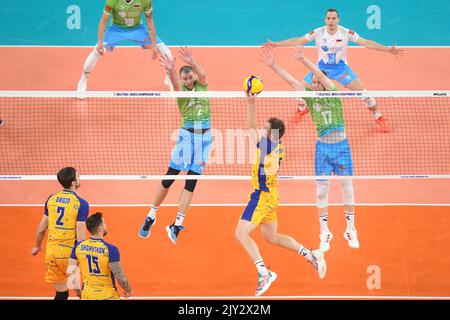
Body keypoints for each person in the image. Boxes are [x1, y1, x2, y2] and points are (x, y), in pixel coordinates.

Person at [262, 45, 359, 252]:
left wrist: (303, 60)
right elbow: (292, 81)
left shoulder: (333, 92)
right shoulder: (309, 96)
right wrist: (274, 66)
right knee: (321, 192)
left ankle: (350, 229)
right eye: (313, 83)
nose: (315, 85)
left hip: (341, 146)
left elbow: (321, 77)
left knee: (347, 187)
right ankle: (325, 232)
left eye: (318, 82)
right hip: (322, 148)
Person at [235, 92, 326, 296]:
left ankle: (264, 273)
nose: (262, 131)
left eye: (266, 129)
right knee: (271, 237)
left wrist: (251, 102)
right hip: (272, 196)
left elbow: (250, 128)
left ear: (272, 134)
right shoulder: (277, 146)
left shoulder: (269, 145)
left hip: (261, 196)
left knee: (241, 233)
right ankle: (310, 255)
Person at [263, 8, 405, 132]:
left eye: (334, 18)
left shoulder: (346, 32)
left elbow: (366, 42)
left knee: (365, 95)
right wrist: (277, 44)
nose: (331, 21)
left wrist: (388, 50)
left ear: (338, 19)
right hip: (321, 70)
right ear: (325, 19)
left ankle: (378, 116)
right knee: (299, 91)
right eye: (328, 18)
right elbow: (299, 40)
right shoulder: (318, 32)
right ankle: (302, 108)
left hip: (341, 69)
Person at [138, 47, 212, 243]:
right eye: (185, 79)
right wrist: (171, 71)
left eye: (190, 78)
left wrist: (193, 61)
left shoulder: (203, 86)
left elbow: (203, 74)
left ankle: (177, 224)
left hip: (205, 140)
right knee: (170, 177)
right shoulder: (180, 93)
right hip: (187, 137)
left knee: (192, 181)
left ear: (193, 77)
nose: (188, 81)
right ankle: (151, 215)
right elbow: (175, 83)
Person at [77, 0, 174, 92]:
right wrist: (100, 42)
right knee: (96, 52)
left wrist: (153, 45)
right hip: (116, 29)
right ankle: (83, 79)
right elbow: (104, 21)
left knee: (164, 50)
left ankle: (169, 76)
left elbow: (150, 22)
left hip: (137, 29)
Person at [31, 167, 88, 300]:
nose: (80, 179)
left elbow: (41, 229)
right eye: (78, 177)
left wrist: (37, 246)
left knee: (61, 294)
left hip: (52, 254)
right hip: (70, 256)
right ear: (73, 182)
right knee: (81, 292)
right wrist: (85, 259)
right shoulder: (81, 204)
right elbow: (80, 237)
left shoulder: (51, 199)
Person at [67, 212, 132, 300]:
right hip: (108, 295)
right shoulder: (111, 249)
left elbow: (70, 273)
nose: (106, 225)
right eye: (104, 223)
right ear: (100, 228)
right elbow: (120, 276)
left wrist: (78, 292)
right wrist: (128, 289)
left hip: (87, 295)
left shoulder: (78, 247)